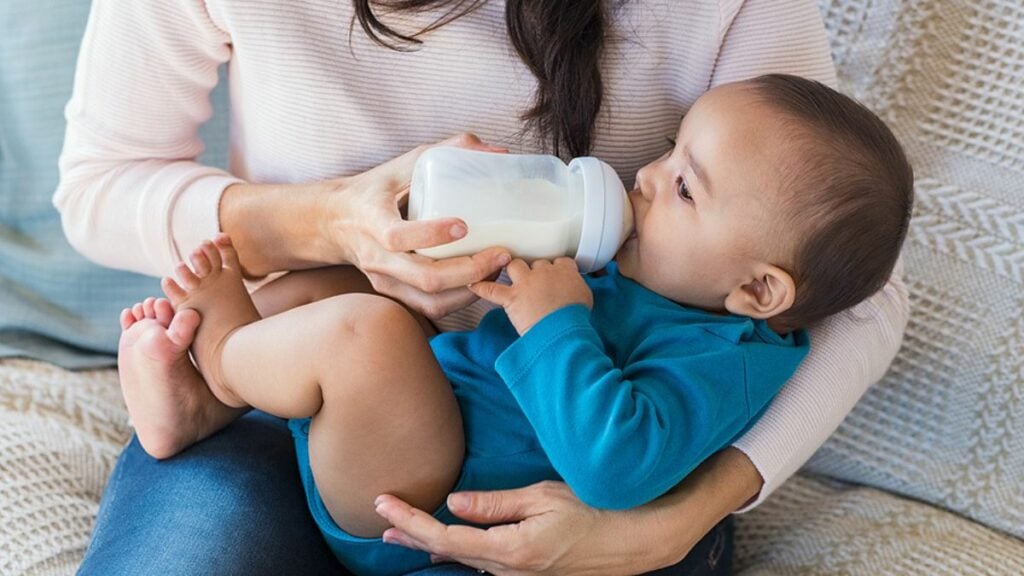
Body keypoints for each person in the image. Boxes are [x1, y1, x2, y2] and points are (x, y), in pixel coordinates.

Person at [56, 1, 911, 574]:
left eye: (684, 181)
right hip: (312, 413)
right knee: (330, 297)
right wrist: (328, 219)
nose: (646, 179)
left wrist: (669, 524)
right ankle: (216, 382)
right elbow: (101, 184)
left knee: (357, 329)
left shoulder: (695, 317)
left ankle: (221, 363)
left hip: (525, 488)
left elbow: (849, 288)